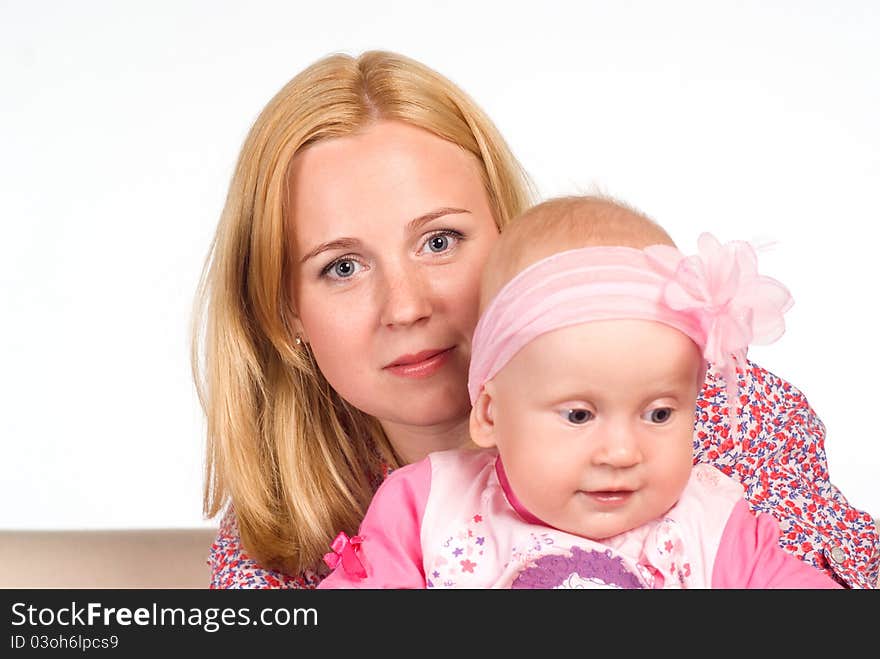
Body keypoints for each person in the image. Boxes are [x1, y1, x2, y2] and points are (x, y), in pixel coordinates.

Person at [192, 50, 879, 589]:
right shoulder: (285, 523)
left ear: (505, 234)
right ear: (287, 313)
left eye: (440, 241)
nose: (405, 307)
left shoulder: (716, 413)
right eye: (342, 267)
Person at [317, 195, 841, 588]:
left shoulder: (714, 529)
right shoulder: (430, 508)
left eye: (659, 413)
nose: (620, 452)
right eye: (578, 416)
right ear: (491, 413)